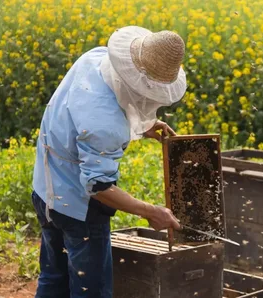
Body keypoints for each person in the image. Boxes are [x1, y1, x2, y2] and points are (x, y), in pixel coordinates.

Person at [31, 26, 185, 298]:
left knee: (54, 278)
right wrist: (150, 211)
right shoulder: (105, 125)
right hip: (77, 209)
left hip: (44, 188)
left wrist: (142, 124)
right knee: (92, 290)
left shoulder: (95, 58)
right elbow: (99, 187)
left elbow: (84, 115)